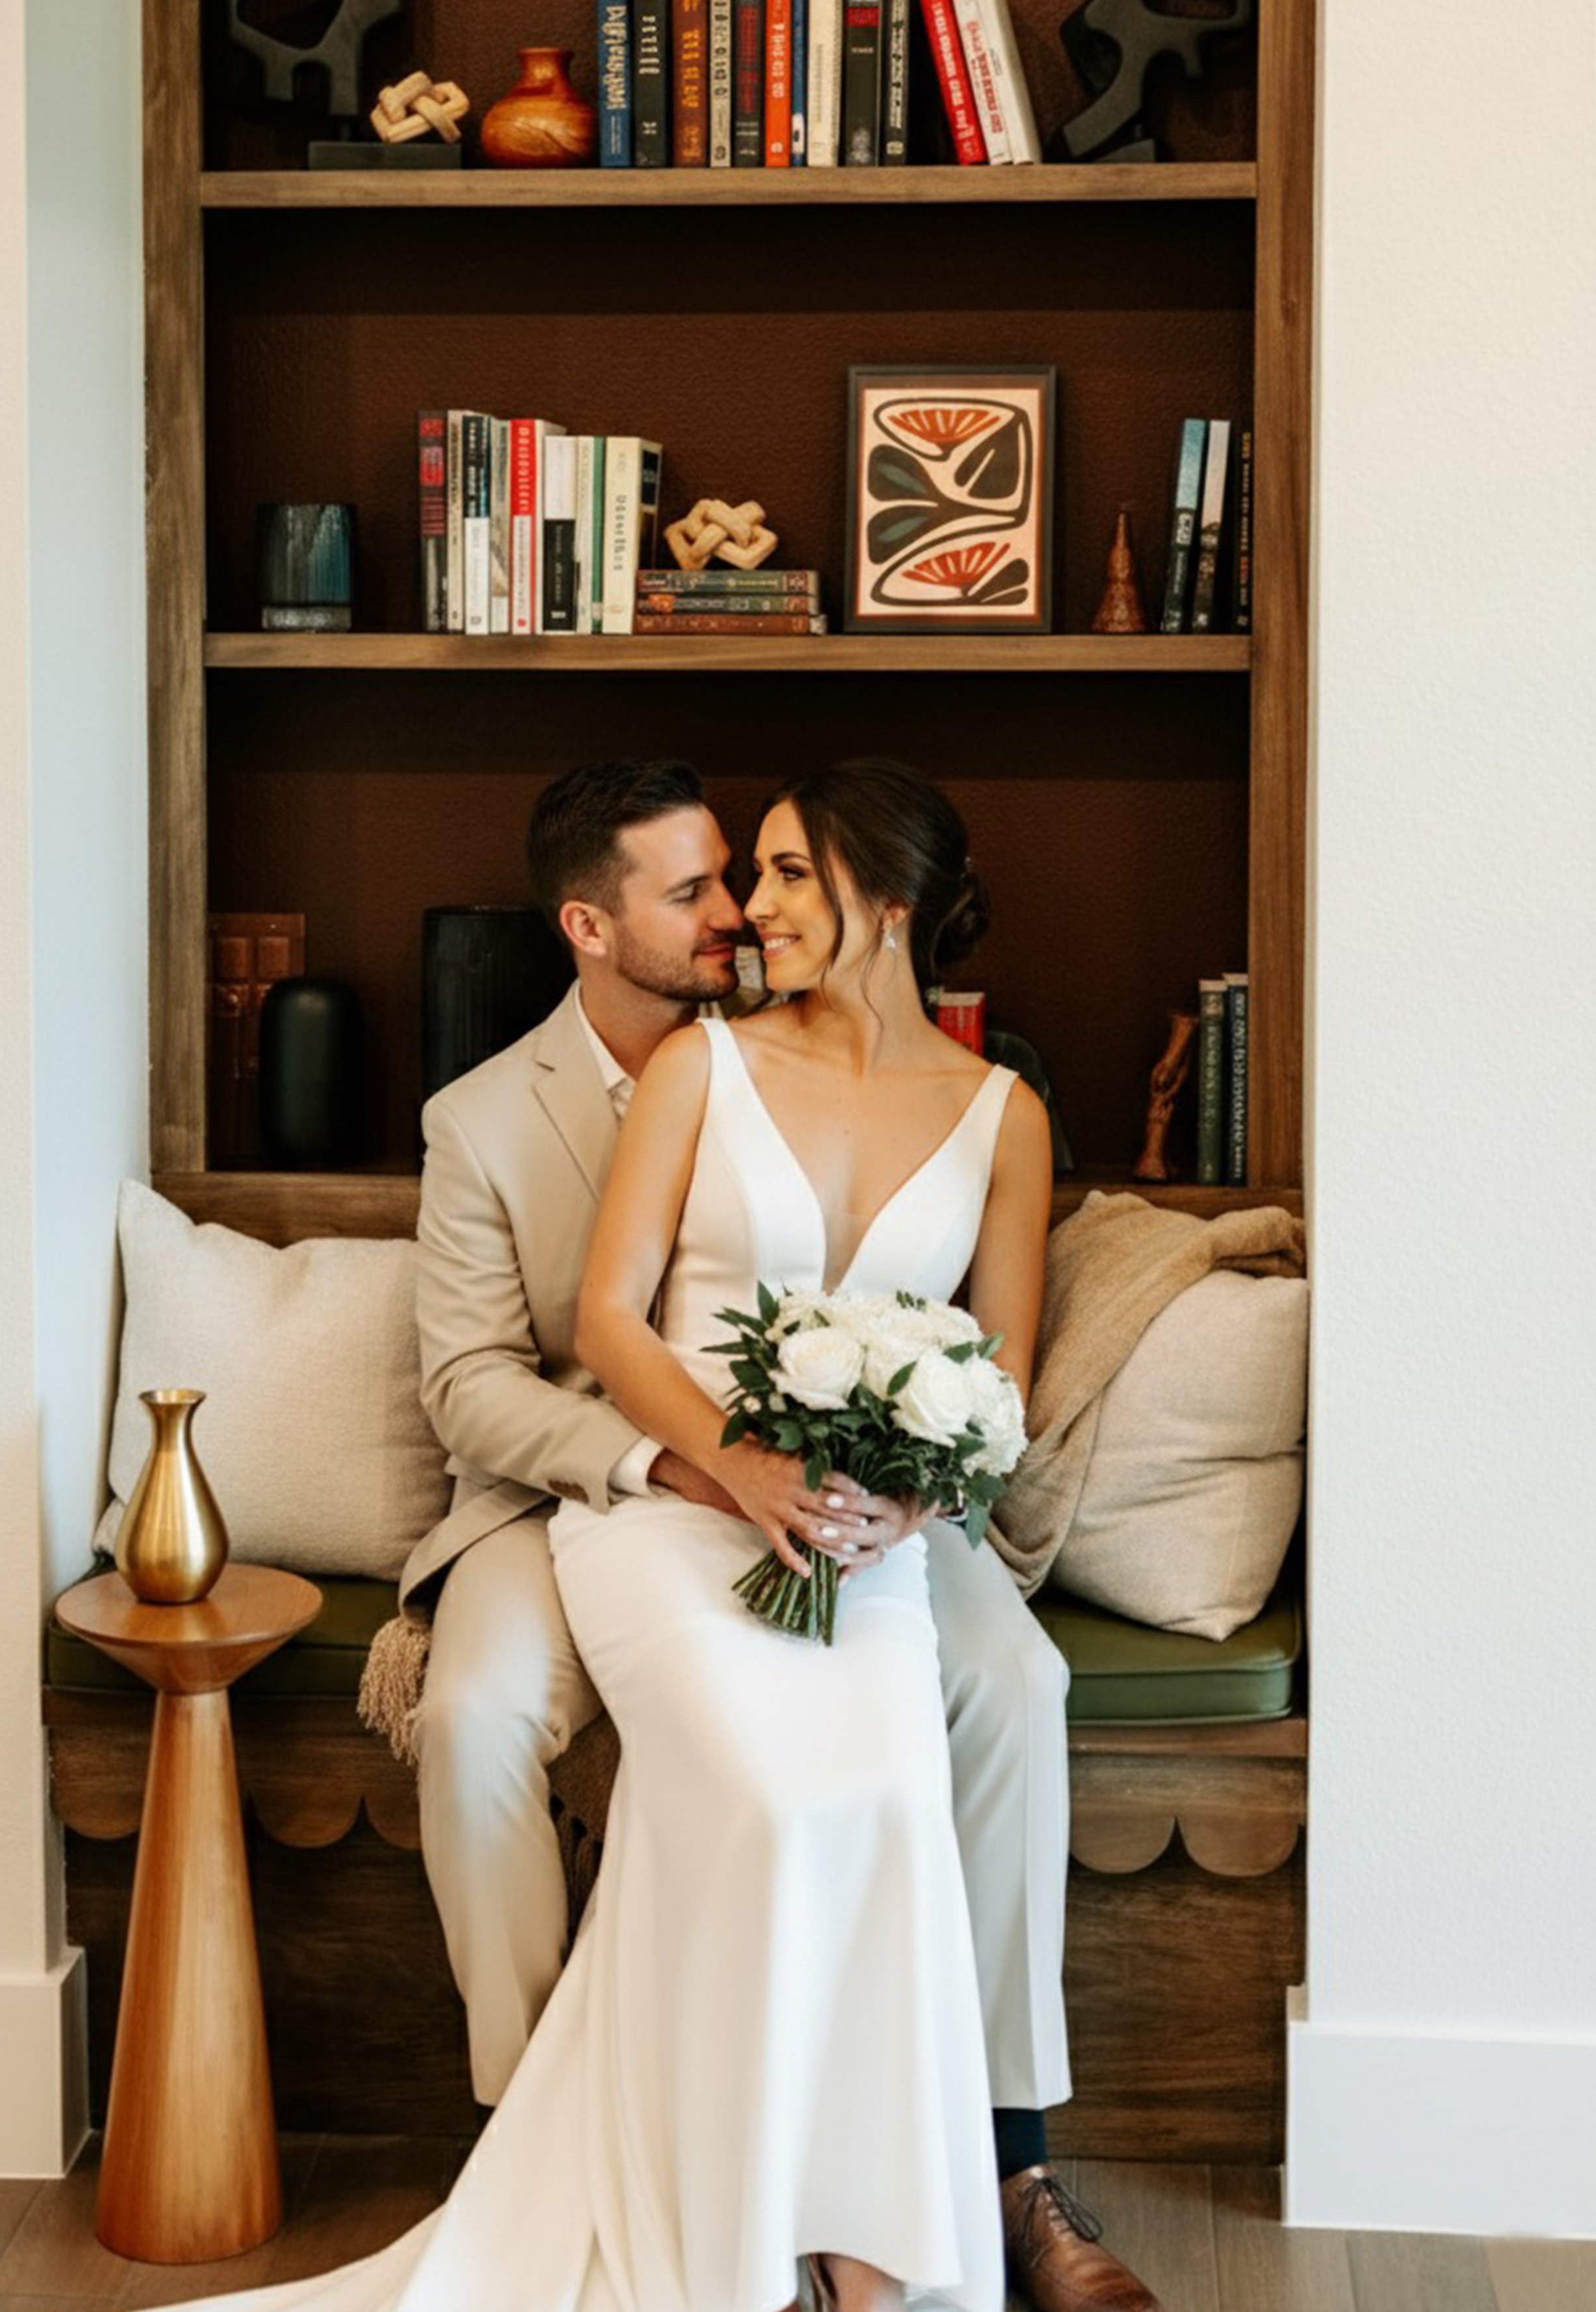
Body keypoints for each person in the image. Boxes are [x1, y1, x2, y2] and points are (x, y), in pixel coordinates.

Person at [396, 759, 1160, 2312]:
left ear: (888, 904)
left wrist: (914, 1488)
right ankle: (564, 2131)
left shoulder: (997, 1114)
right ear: (588, 927)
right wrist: (717, 1465)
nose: (741, 911)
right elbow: (529, 1360)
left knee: (974, 1718)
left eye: (774, 876)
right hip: (624, 1497)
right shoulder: (583, 1094)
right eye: (709, 888)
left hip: (866, 1527)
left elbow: (994, 1378)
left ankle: (972, 2191)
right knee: (717, 1778)